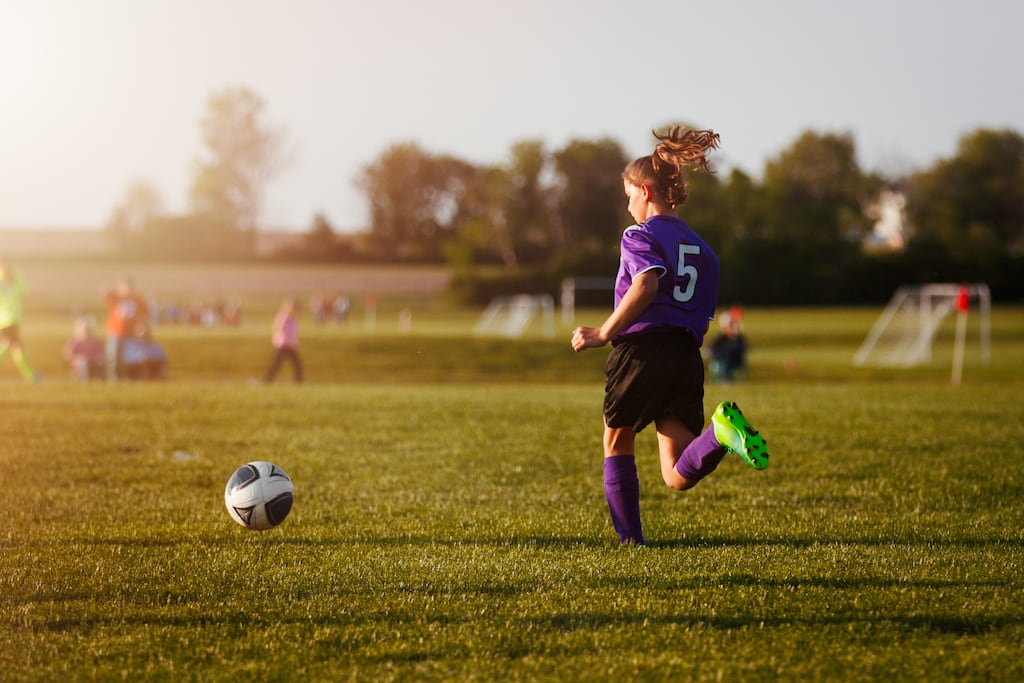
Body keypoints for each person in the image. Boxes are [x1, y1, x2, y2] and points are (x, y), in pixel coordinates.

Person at [570, 126, 769, 546]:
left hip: (642, 350)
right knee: (676, 474)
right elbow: (703, 310)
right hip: (685, 355)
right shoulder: (704, 249)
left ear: (646, 190)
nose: (628, 207)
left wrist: (604, 332)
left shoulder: (638, 235)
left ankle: (630, 541)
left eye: (629, 197)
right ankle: (719, 434)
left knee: (616, 439)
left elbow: (646, 285)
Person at [0, 257, 40, 383]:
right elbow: (23, 292)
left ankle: (30, 375)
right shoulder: (7, 278)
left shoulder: (15, 276)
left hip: (11, 317)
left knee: (15, 345)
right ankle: (30, 375)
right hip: (8, 318)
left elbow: (23, 291)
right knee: (11, 345)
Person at [104, 278, 149, 382]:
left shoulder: (136, 300)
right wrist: (115, 289)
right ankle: (115, 379)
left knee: (131, 357)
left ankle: (131, 377)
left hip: (131, 332)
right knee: (114, 357)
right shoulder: (115, 298)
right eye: (124, 287)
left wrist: (141, 326)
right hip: (116, 332)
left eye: (129, 287)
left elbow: (145, 312)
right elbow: (105, 294)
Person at [263, 298, 303, 383]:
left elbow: (293, 332)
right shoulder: (283, 317)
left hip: (290, 345)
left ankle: (298, 381)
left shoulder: (292, 319)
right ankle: (267, 380)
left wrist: (294, 341)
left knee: (297, 364)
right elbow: (279, 328)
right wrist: (285, 336)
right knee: (275, 365)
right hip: (282, 345)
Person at [708, 313, 748, 383]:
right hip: (721, 361)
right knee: (727, 352)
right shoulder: (720, 338)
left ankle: (727, 378)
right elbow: (712, 350)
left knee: (729, 351)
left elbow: (743, 348)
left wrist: (734, 337)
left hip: (735, 361)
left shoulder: (738, 338)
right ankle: (726, 378)